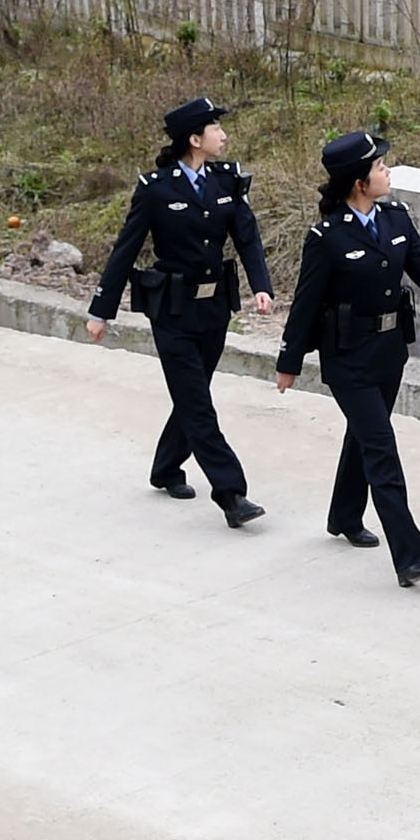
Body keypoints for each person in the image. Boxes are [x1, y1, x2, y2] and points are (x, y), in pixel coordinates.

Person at [276, 132, 420, 586]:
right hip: (347, 358)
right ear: (358, 183)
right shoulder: (327, 237)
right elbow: (306, 302)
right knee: (382, 448)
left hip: (389, 353)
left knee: (365, 437)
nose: (387, 171)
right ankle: (409, 555)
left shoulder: (395, 219)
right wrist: (289, 360)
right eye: (379, 167)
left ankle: (344, 515)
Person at [84, 96, 275, 528]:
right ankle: (231, 494)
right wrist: (102, 310)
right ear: (194, 138)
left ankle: (166, 467)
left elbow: (246, 237)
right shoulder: (156, 188)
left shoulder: (226, 179)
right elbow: (126, 248)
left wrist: (261, 286)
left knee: (193, 395)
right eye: (215, 129)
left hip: (215, 309)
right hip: (171, 311)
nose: (223, 135)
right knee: (198, 402)